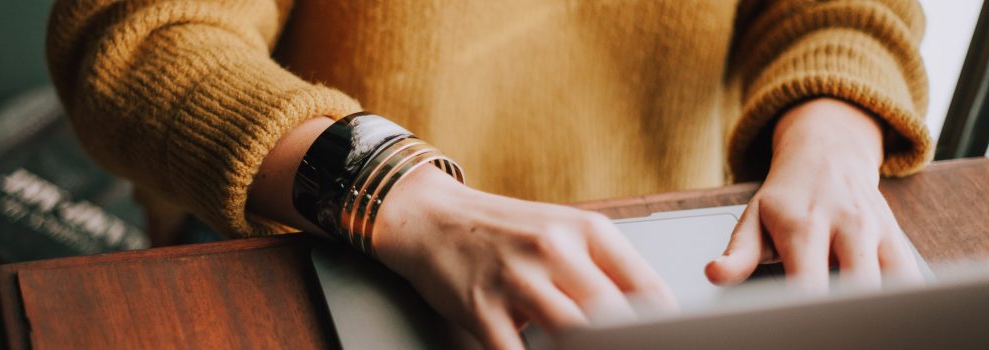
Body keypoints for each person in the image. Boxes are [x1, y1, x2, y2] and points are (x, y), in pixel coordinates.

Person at [47, 0, 932, 348]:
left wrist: (834, 137)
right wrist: (400, 193)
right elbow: (137, 43)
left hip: (665, 264)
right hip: (326, 251)